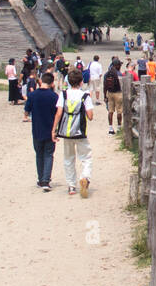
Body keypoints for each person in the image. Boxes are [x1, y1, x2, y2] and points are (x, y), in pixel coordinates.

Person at [54, 68, 94, 197]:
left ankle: (71, 185)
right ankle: (85, 177)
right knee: (86, 157)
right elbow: (90, 116)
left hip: (66, 131)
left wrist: (54, 129)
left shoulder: (63, 94)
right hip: (80, 131)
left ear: (69, 82)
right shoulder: (85, 96)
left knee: (68, 158)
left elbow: (59, 113)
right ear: (81, 82)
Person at [26, 70, 61, 190]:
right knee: (49, 154)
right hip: (50, 129)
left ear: (40, 81)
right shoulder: (54, 96)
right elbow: (58, 113)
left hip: (36, 129)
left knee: (39, 154)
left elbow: (27, 110)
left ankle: (40, 179)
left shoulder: (32, 95)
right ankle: (46, 180)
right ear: (52, 84)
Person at [103, 59, 123, 134]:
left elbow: (105, 85)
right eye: (120, 65)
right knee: (119, 111)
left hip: (110, 93)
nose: (120, 66)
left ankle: (110, 128)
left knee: (110, 111)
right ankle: (119, 127)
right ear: (117, 66)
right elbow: (122, 85)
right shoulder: (119, 74)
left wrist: (105, 95)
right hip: (118, 93)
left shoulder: (107, 74)